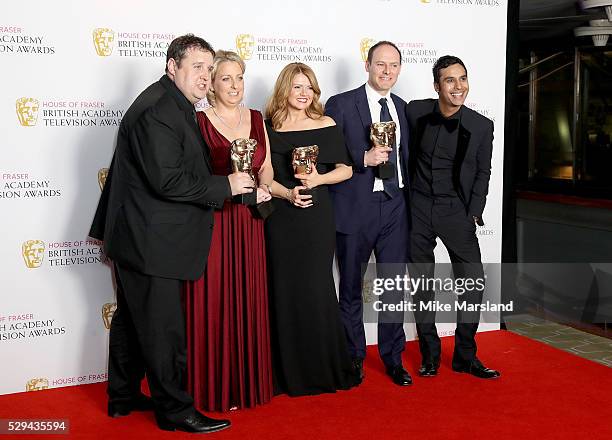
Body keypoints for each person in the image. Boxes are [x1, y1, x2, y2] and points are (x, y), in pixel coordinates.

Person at [89, 34, 255, 433]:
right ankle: (176, 411)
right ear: (172, 67)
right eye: (196, 67)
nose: (205, 76)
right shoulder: (159, 109)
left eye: (208, 69)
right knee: (163, 330)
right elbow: (168, 181)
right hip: (150, 242)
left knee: (132, 321)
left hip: (139, 236)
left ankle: (123, 397)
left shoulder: (171, 103)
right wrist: (226, 187)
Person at [184, 50, 274, 412]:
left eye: (239, 78)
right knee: (213, 299)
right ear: (211, 83)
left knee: (248, 296)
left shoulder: (255, 118)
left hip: (249, 222)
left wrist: (265, 186)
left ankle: (245, 384)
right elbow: (192, 176)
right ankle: (211, 387)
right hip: (215, 222)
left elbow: (265, 167)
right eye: (226, 78)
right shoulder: (198, 120)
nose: (235, 86)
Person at [264, 62, 358, 396]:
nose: (305, 94)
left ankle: (321, 368)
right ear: (284, 90)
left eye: (310, 88)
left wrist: (318, 179)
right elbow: (263, 177)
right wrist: (287, 192)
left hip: (317, 218)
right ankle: (282, 372)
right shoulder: (266, 127)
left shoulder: (326, 123)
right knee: (283, 289)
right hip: (280, 217)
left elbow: (345, 170)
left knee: (317, 288)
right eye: (298, 87)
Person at [406, 55, 500, 379]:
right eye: (450, 80)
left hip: (455, 210)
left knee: (473, 281)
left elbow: (484, 172)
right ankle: (429, 355)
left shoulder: (481, 125)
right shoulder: (415, 111)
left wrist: (474, 212)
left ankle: (464, 355)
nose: (458, 86)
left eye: (462, 79)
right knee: (421, 285)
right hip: (417, 206)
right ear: (437, 86)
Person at [325, 41, 412, 386]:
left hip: (395, 207)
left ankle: (393, 358)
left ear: (399, 69)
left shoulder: (403, 108)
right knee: (349, 287)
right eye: (380, 64)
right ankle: (354, 357)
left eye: (393, 65)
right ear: (367, 65)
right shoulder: (341, 104)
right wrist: (363, 159)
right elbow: (327, 154)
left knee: (392, 286)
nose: (387, 71)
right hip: (354, 207)